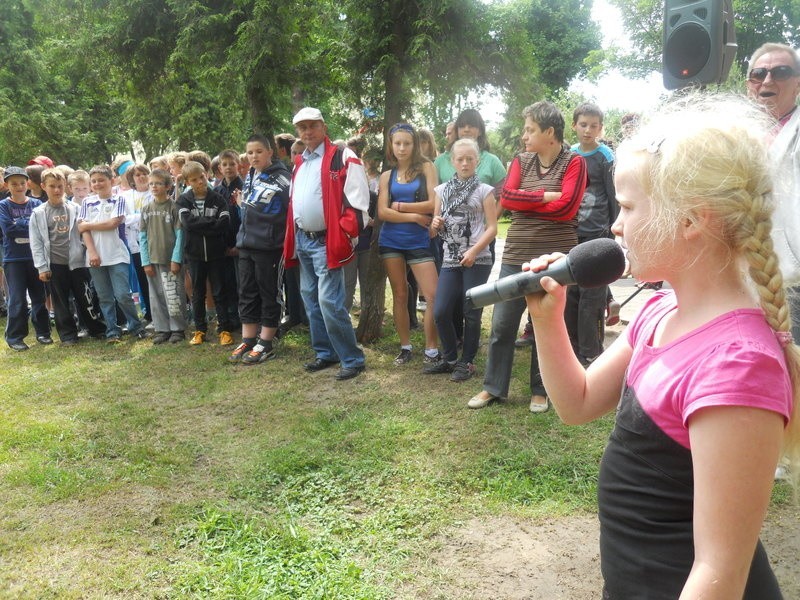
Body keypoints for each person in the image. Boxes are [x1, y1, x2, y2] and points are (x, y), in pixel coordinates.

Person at [523, 95, 797, 599]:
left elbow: (720, 571)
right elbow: (578, 403)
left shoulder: (738, 365)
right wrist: (547, 319)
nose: (615, 225)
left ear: (691, 220)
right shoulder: (657, 313)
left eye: (627, 207)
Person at [468, 101, 586, 412]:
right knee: (502, 325)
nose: (524, 136)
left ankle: (541, 390)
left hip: (556, 256)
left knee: (546, 325)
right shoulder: (521, 160)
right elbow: (505, 196)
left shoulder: (574, 162)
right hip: (517, 253)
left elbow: (568, 207)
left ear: (550, 132)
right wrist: (546, 195)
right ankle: (493, 387)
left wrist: (526, 200)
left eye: (530, 130)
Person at [283, 107, 369, 381]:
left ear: (323, 126)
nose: (307, 132)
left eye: (312, 126)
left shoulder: (342, 156)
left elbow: (358, 202)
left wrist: (344, 234)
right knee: (310, 298)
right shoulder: (301, 162)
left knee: (329, 301)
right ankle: (325, 352)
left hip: (326, 241)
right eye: (302, 128)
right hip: (304, 239)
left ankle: (352, 358)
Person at [426, 138, 497, 381]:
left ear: (477, 160)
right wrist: (434, 223)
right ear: (452, 161)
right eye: (460, 159)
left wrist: (474, 251)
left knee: (471, 311)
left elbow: (492, 228)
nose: (465, 163)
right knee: (441, 310)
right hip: (451, 258)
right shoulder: (441, 191)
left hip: (478, 259)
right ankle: (450, 358)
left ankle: (466, 362)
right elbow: (435, 230)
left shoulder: (484, 191)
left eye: (470, 159)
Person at [746, 43, 800, 341]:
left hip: (793, 285)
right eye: (759, 74)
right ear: (749, 84)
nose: (768, 81)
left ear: (798, 83)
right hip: (746, 283)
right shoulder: (736, 133)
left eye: (780, 72)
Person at [377, 123, 440, 367]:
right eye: (397, 143)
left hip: (419, 240)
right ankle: (405, 347)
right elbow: (382, 212)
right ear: (391, 146)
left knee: (433, 295)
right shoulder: (386, 176)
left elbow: (433, 203)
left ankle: (431, 349)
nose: (402, 148)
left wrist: (402, 207)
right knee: (400, 294)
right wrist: (414, 216)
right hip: (391, 240)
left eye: (407, 143)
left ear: (414, 145)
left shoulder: (426, 167)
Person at [227, 134, 291, 364]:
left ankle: (266, 341)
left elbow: (288, 210)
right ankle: (249, 337)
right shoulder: (251, 175)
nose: (254, 156)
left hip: (269, 246)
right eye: (250, 152)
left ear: (270, 152)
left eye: (259, 151)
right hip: (246, 244)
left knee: (268, 292)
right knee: (246, 291)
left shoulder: (284, 178)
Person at [566, 102, 618, 365]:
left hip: (598, 233)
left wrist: (612, 230)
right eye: (583, 124)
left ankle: (591, 351)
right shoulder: (568, 154)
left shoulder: (605, 156)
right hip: (571, 235)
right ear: (574, 125)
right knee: (571, 293)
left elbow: (614, 196)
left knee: (593, 296)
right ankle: (572, 347)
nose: (588, 130)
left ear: (600, 128)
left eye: (594, 126)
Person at [30, 168, 105, 345]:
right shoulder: (39, 213)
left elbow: (85, 234)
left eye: (60, 186)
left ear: (66, 186)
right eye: (52, 186)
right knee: (61, 302)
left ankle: (95, 328)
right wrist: (42, 267)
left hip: (78, 262)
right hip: (55, 264)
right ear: (43, 187)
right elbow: (36, 242)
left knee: (86, 297)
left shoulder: (76, 208)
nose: (56, 190)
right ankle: (68, 334)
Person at [77, 165, 148, 343]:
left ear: (112, 181)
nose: (97, 184)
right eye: (93, 181)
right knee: (104, 296)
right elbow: (82, 230)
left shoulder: (119, 200)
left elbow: (113, 223)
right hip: (94, 257)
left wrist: (88, 225)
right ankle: (112, 330)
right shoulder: (86, 202)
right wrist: (92, 252)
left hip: (117, 254)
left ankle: (135, 326)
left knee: (123, 294)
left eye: (101, 180)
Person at [176, 160, 235, 346]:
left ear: (206, 174)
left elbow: (224, 224)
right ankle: (200, 329)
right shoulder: (183, 201)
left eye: (201, 177)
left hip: (217, 253)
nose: (200, 182)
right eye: (194, 180)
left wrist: (200, 225)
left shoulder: (218, 198)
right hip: (194, 255)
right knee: (197, 293)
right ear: (187, 182)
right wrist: (211, 225)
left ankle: (224, 329)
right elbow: (187, 224)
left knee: (219, 292)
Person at [0, 166, 51, 350]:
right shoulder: (3, 206)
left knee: (39, 296)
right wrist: (27, 223)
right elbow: (8, 230)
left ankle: (43, 333)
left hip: (35, 258)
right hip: (14, 260)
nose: (19, 186)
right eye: (14, 184)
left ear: (27, 183)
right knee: (18, 298)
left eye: (22, 183)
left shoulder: (37, 204)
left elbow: (41, 228)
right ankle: (15, 337)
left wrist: (20, 224)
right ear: (7, 185)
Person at [139, 168, 186, 344]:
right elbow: (142, 237)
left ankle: (177, 328)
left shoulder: (174, 208)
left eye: (158, 183)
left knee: (173, 294)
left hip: (170, 261)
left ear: (167, 186)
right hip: (152, 261)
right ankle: (162, 328)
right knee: (156, 296)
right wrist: (145, 261)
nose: (154, 186)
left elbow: (180, 235)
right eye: (151, 183)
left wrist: (176, 259)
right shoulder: (145, 209)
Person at [122, 163, 153, 324]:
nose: (141, 177)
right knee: (142, 280)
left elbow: (153, 217)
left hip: (153, 242)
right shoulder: (126, 197)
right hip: (136, 245)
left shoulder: (154, 193)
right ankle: (149, 312)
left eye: (144, 173)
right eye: (137, 175)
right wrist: (141, 216)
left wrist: (136, 217)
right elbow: (124, 219)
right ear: (132, 179)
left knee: (154, 278)